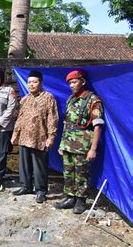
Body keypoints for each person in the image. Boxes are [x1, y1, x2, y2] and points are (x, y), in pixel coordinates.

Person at [55, 70, 104, 214]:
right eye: (69, 83)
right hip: (68, 143)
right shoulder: (71, 99)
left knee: (82, 174)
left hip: (83, 146)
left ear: (83, 82)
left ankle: (81, 201)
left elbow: (98, 126)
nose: (71, 85)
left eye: (74, 82)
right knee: (68, 172)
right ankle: (70, 197)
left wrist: (93, 149)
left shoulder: (93, 100)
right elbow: (67, 123)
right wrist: (62, 143)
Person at [11, 70, 59, 204]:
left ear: (41, 83)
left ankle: (41, 190)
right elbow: (20, 118)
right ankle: (26, 186)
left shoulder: (48, 97)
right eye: (29, 82)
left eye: (34, 82)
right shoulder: (25, 99)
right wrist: (15, 135)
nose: (31, 85)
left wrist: (51, 136)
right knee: (24, 164)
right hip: (24, 137)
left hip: (40, 137)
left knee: (39, 166)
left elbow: (52, 118)